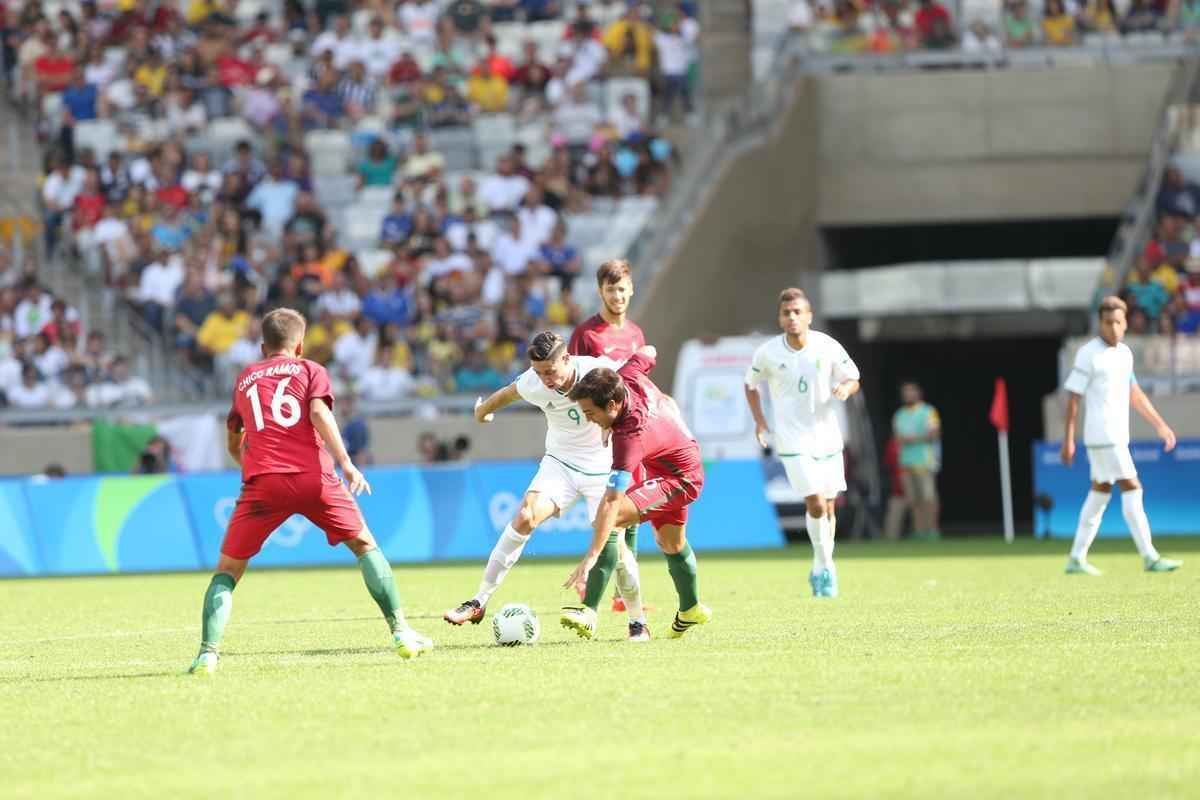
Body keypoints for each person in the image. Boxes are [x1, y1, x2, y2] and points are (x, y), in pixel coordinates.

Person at [187, 308, 432, 675]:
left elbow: (234, 439)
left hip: (263, 483)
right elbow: (318, 413)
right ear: (299, 344)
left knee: (227, 571)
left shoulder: (246, 378)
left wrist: (250, 466)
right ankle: (401, 632)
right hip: (314, 477)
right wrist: (346, 463)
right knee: (365, 546)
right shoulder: (310, 370)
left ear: (261, 345)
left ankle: (207, 655)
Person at [444, 331, 649, 640]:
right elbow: (509, 393)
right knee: (525, 516)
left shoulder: (597, 370)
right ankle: (478, 601)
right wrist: (482, 411)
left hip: (602, 468)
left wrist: (621, 425)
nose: (545, 380)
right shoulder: (534, 382)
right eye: (539, 373)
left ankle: (637, 622)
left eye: (550, 372)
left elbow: (635, 381)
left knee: (615, 547)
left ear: (567, 359)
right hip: (560, 464)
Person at [564, 346, 710, 639]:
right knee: (671, 543)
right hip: (677, 464)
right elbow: (649, 350)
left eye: (591, 413)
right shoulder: (627, 374)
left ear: (614, 405)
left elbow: (612, 500)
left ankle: (589, 610)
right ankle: (690, 609)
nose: (589, 419)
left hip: (679, 478)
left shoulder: (629, 436)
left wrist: (590, 556)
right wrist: (667, 403)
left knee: (612, 520)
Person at [743, 288, 861, 598]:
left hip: (827, 436)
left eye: (798, 312)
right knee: (816, 502)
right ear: (780, 318)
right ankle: (827, 569)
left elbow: (853, 376)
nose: (792, 317)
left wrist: (846, 389)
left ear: (808, 316)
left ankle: (821, 565)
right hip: (791, 438)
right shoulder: (768, 352)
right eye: (787, 313)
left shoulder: (827, 346)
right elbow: (750, 384)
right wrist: (759, 420)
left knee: (830, 505)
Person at [1061, 296, 1182, 576]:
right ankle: (1150, 556)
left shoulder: (1125, 355)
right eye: (1107, 322)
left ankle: (1076, 558)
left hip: (1114, 436)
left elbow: (1135, 395)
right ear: (1100, 324)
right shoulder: (1088, 353)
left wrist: (1160, 424)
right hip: (1103, 435)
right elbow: (1073, 399)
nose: (1113, 328)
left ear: (1125, 323)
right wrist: (1068, 439)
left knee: (1100, 493)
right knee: (1133, 487)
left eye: (1117, 322)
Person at [568, 259, 645, 612]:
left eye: (622, 289)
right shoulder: (586, 334)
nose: (618, 295)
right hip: (598, 434)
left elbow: (639, 381)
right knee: (608, 508)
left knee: (632, 508)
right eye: (611, 289)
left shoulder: (635, 333)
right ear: (601, 291)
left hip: (632, 430)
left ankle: (623, 591)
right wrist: (592, 429)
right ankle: (600, 582)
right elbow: (577, 386)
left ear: (631, 289)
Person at [892, 381, 941, 540]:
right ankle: (919, 531)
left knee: (928, 498)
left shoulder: (929, 411)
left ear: (918, 393)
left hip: (924, 461)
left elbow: (934, 433)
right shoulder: (899, 415)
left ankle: (932, 530)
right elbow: (898, 438)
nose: (908, 395)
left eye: (911, 391)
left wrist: (913, 439)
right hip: (906, 462)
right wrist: (916, 438)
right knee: (913, 500)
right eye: (905, 392)